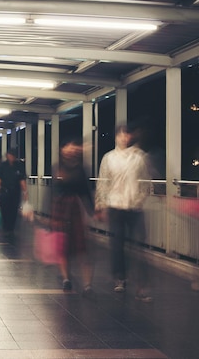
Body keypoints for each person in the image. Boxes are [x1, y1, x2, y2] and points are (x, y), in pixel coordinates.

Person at [95, 125, 152, 302]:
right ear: (116, 137)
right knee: (117, 244)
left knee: (139, 246)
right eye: (120, 135)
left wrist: (140, 198)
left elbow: (145, 181)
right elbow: (103, 182)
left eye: (126, 135)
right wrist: (100, 204)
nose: (124, 138)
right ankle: (120, 278)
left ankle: (141, 285)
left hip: (134, 207)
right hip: (115, 207)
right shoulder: (109, 158)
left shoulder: (139, 157)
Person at [50, 140, 95, 295]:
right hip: (60, 209)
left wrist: (92, 211)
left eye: (73, 146)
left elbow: (85, 192)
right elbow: (52, 191)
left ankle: (87, 284)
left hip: (74, 208)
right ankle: (66, 279)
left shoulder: (80, 169)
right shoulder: (58, 168)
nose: (70, 149)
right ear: (62, 149)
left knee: (81, 248)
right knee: (62, 247)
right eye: (67, 146)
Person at [0, 148, 28, 237]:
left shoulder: (19, 166)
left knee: (14, 209)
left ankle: (11, 227)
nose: (12, 157)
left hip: (15, 191)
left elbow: (22, 180)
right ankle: (6, 226)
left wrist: (25, 192)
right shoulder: (2, 166)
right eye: (10, 155)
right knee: (4, 209)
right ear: (7, 155)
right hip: (4, 191)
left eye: (13, 155)